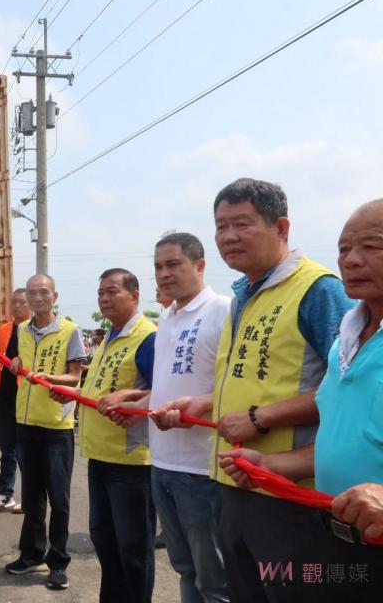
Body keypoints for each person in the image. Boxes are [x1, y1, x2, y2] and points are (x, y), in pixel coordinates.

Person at [218, 198, 383, 601]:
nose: (352, 260)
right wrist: (271, 464)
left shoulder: (314, 292)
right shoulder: (345, 340)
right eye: (344, 249)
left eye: (372, 246)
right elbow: (343, 440)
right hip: (333, 539)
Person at [140, 233, 231, 603]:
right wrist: (135, 398)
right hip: (161, 462)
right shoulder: (167, 317)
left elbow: (236, 387)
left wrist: (203, 405)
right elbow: (165, 385)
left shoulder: (224, 310)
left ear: (200, 264)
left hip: (201, 467)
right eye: (158, 267)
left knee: (215, 580)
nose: (164, 274)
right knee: (185, 569)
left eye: (173, 264)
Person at [3, 275, 85, 590]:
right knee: (31, 497)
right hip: (26, 424)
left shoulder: (70, 330)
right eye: (32, 293)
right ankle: (31, 554)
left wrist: (49, 377)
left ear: (54, 296)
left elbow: (76, 377)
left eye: (43, 292)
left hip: (55, 427)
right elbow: (17, 359)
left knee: (59, 500)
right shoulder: (22, 330)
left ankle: (58, 561)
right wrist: (17, 360)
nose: (37, 298)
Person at [81, 268, 157, 603]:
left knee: (133, 548)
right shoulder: (109, 336)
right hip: (100, 455)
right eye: (100, 293)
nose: (104, 299)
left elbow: (165, 391)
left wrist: (131, 399)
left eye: (112, 292)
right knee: (104, 540)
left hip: (131, 462)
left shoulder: (147, 337)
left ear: (134, 295)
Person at [0, 289, 30, 513]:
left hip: (25, 396)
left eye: (22, 302)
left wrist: (21, 359)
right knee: (7, 448)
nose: (17, 306)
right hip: (4, 396)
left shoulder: (35, 330)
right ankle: (5, 492)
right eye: (15, 302)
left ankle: (30, 495)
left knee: (24, 449)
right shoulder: (4, 329)